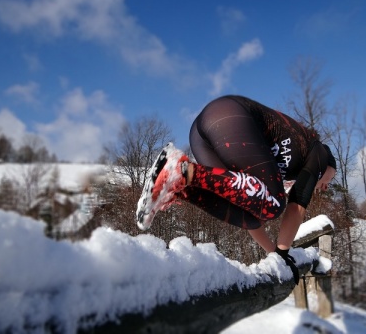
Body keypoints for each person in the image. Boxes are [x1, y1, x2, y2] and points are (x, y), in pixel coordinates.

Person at [136, 95, 336, 284]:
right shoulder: (318, 152)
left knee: (250, 213)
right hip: (229, 115)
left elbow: (252, 218)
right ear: (329, 166)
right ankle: (184, 171)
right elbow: (297, 206)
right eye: (331, 178)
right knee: (274, 204)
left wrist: (275, 255)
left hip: (203, 133)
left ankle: (177, 187)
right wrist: (283, 255)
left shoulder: (290, 167)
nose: (326, 185)